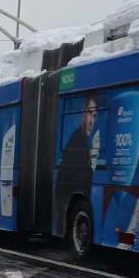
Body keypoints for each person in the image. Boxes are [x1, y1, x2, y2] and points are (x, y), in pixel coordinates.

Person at [54, 96, 98, 224]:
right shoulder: (76, 143)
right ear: (82, 113)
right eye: (90, 113)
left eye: (94, 115)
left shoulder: (85, 142)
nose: (92, 121)